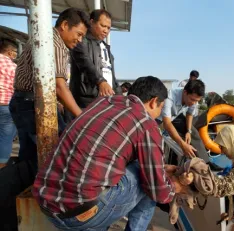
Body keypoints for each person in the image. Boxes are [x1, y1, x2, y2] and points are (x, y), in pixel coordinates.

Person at [32, 76, 189, 231]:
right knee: (151, 183)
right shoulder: (147, 124)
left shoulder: (103, 102)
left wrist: (160, 169)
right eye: (161, 108)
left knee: (145, 172)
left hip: (47, 204)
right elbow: (158, 192)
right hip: (78, 214)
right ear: (154, 101)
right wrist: (175, 186)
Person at [9, 8, 89, 166]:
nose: (80, 40)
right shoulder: (55, 43)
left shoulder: (42, 36)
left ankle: (24, 187)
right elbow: (59, 86)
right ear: (65, 25)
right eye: (79, 34)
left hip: (21, 101)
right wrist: (82, 116)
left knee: (30, 157)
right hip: (33, 105)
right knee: (60, 151)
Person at [158, 80, 220, 170]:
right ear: (185, 92)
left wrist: (188, 131)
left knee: (194, 133)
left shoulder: (193, 100)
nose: (193, 103)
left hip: (175, 116)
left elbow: (189, 114)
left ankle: (206, 163)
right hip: (160, 119)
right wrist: (183, 144)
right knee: (155, 139)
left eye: (196, 101)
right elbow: (167, 123)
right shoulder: (169, 98)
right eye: (192, 100)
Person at [70, 9, 122, 110]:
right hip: (86, 101)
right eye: (103, 26)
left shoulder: (106, 48)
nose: (106, 31)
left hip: (106, 101)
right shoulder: (81, 40)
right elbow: (85, 62)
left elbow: (112, 76)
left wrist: (120, 97)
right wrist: (100, 81)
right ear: (92, 22)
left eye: (108, 28)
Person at [0, 38, 18, 167]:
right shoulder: (13, 67)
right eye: (16, 52)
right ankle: (1, 167)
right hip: (6, 105)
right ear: (10, 52)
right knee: (6, 137)